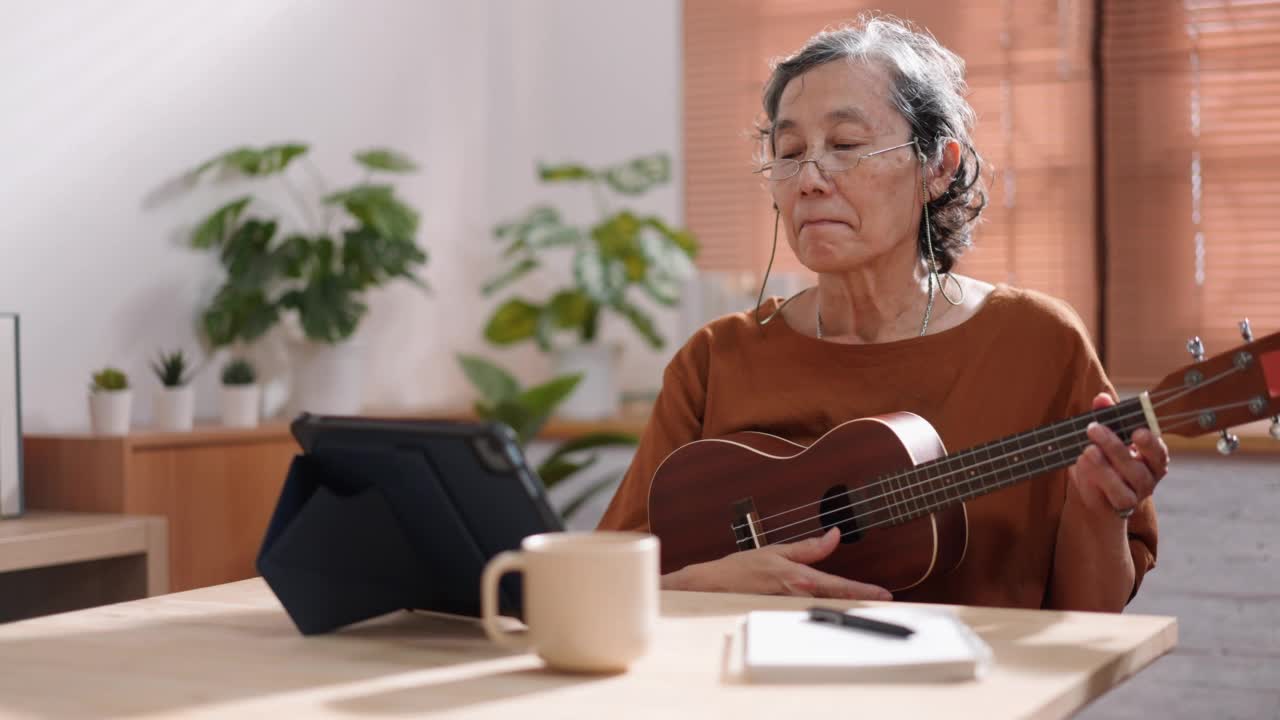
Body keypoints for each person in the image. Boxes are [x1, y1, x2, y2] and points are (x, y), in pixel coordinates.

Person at [596, 15, 1166, 612]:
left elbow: (1089, 622)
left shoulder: (1039, 344)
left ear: (937, 166)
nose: (810, 179)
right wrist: (710, 587)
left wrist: (1104, 512)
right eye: (789, 152)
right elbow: (605, 582)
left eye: (845, 146)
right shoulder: (716, 359)